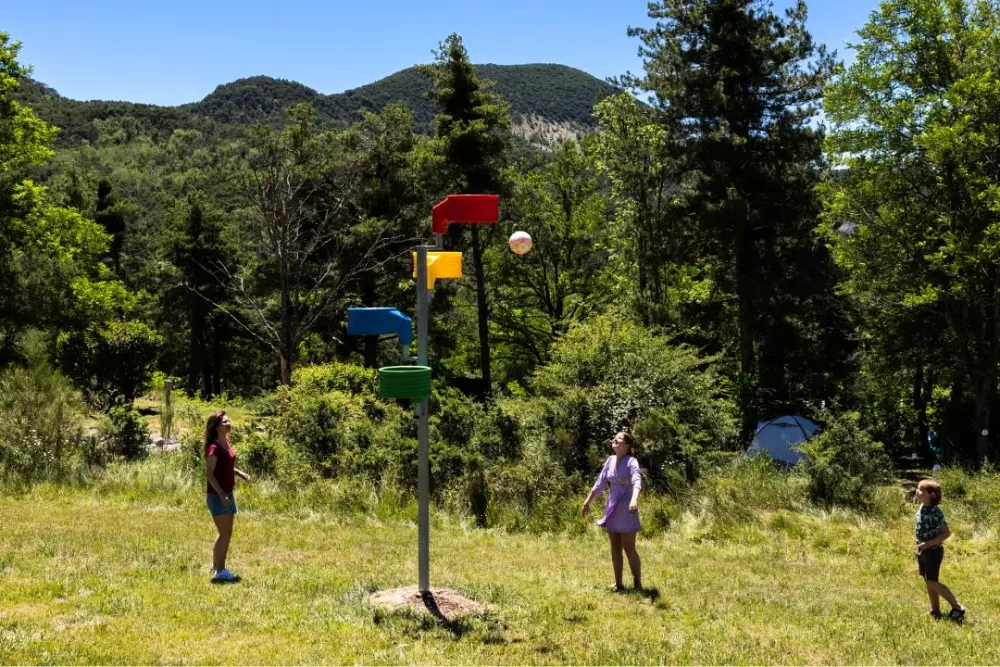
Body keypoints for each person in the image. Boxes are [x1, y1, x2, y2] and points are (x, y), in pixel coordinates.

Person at [582, 431, 643, 591]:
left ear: (627, 445)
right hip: (612, 507)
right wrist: (587, 502)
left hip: (628, 508)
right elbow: (600, 483)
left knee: (629, 548)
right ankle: (618, 583)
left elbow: (637, 481)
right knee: (615, 546)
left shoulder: (632, 462)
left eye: (619, 439)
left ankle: (637, 583)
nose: (614, 440)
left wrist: (634, 499)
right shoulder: (610, 460)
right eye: (614, 438)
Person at [204, 411, 250, 583]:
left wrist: (239, 473)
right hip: (218, 495)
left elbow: (226, 466)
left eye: (228, 420)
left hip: (227, 493)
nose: (228, 423)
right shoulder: (213, 447)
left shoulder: (226, 442)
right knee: (225, 534)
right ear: (216, 427)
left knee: (225, 533)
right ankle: (220, 571)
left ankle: (216, 565)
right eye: (224, 421)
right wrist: (222, 494)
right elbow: (210, 474)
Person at [914, 478, 965, 621]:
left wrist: (929, 543)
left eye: (920, 490)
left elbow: (946, 533)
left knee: (932, 582)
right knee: (928, 580)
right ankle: (935, 610)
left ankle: (957, 607)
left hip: (933, 551)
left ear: (931, 495)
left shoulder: (936, 512)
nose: (917, 492)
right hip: (923, 551)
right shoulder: (921, 507)